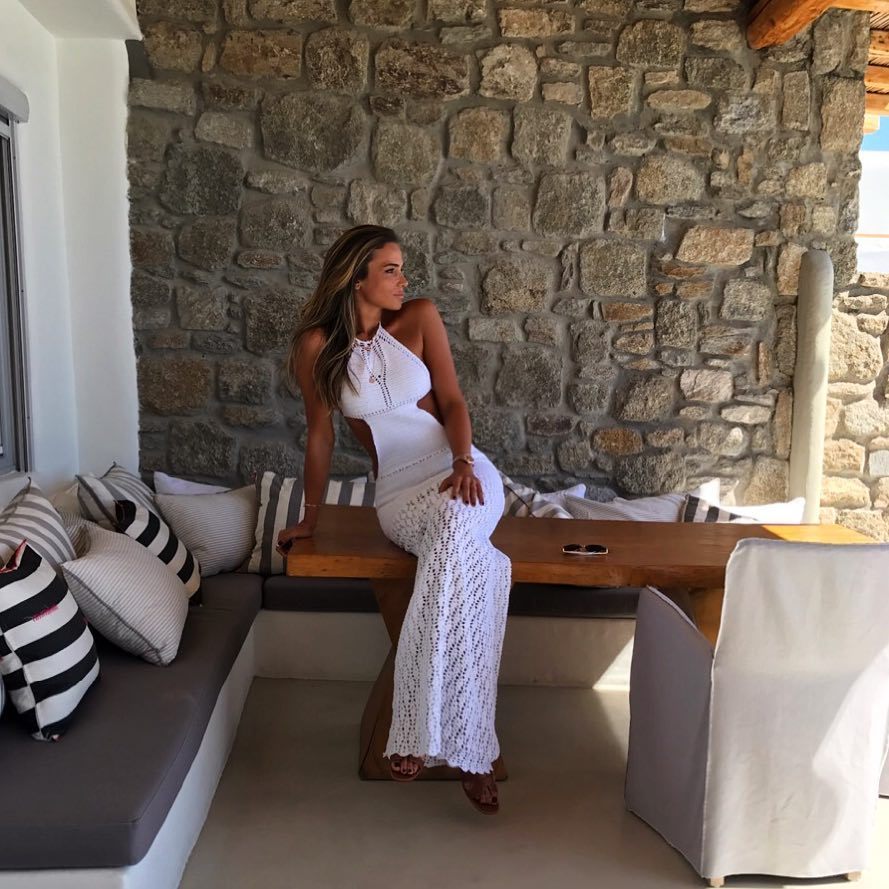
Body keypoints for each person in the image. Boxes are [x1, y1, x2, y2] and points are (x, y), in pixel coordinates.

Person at [276, 225, 511, 814]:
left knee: (454, 531)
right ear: (356, 278)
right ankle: (474, 751)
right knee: (469, 561)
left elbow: (453, 402)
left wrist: (463, 462)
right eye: (390, 269)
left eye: (402, 268)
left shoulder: (420, 317)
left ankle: (415, 726)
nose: (403, 280)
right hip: (399, 494)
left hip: (465, 472)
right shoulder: (316, 346)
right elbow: (320, 435)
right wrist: (311, 516)